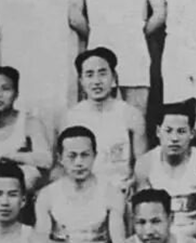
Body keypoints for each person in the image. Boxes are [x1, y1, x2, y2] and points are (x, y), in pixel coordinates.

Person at [62, 47, 148, 197]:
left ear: (113, 77)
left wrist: (133, 182)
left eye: (102, 74)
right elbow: (63, 165)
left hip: (121, 191)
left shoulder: (130, 114)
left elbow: (142, 163)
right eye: (89, 75)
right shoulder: (71, 118)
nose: (97, 81)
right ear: (81, 81)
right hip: (83, 192)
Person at [135, 102, 196, 238]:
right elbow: (142, 215)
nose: (174, 138)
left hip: (194, 236)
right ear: (158, 132)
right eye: (168, 131)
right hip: (156, 237)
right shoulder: (145, 163)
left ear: (192, 133)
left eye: (181, 131)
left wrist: (180, 237)